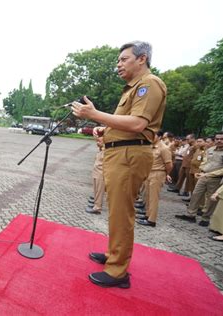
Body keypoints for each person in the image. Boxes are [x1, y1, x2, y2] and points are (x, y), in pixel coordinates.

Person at [71, 41, 167, 288]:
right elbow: (126, 122)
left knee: (122, 213)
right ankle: (115, 256)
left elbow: (137, 125)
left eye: (124, 59)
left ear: (142, 59)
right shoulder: (133, 88)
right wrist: (106, 128)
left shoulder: (149, 84)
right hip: (121, 153)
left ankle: (118, 271)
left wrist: (94, 115)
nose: (119, 64)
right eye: (119, 60)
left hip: (130, 155)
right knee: (117, 211)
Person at [175, 132, 223, 226]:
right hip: (203, 176)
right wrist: (201, 170)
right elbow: (205, 161)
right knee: (195, 194)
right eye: (217, 138)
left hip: (215, 178)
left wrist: (210, 174)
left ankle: (205, 218)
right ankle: (191, 215)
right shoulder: (211, 149)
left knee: (210, 199)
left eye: (222, 139)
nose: (219, 141)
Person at [135, 133, 172, 227]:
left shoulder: (164, 148)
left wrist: (166, 174)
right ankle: (147, 214)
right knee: (147, 196)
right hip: (149, 173)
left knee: (153, 198)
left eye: (153, 135)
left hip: (158, 173)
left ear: (159, 137)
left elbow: (169, 164)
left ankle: (152, 220)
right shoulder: (151, 146)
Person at [85, 136, 105, 214]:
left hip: (101, 172)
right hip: (97, 170)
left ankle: (97, 207)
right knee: (96, 186)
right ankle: (96, 202)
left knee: (100, 188)